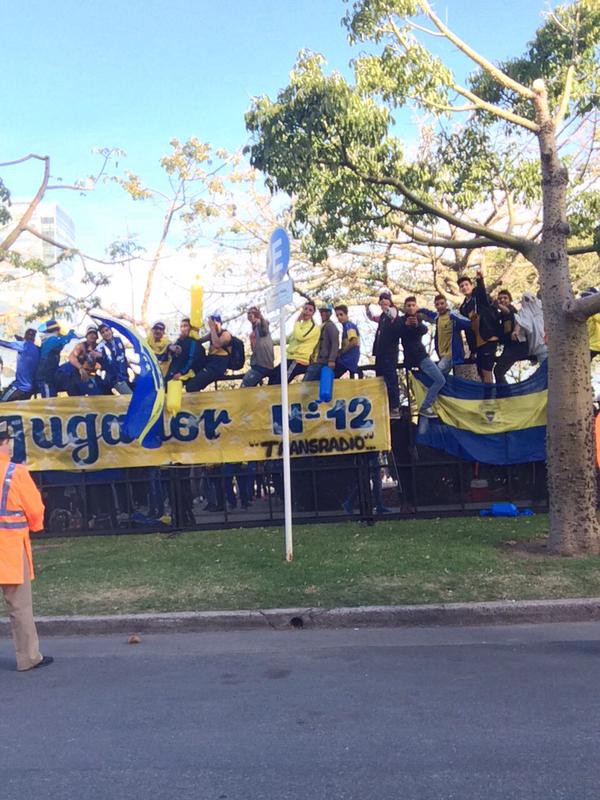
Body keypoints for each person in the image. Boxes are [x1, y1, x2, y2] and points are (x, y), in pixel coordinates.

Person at [0, 422, 53, 671]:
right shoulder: (16, 473)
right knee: (19, 606)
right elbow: (35, 510)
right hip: (9, 548)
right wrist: (36, 524)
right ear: (4, 443)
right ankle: (28, 657)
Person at [399, 296, 446, 418]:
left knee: (440, 378)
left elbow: (424, 329)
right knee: (440, 380)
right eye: (408, 305)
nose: (410, 308)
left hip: (420, 356)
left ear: (416, 307)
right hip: (417, 358)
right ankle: (425, 406)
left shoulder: (418, 319)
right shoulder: (400, 321)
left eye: (413, 305)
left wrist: (416, 324)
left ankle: (431, 404)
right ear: (405, 307)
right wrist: (405, 325)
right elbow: (398, 333)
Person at [458, 268, 502, 383]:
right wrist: (472, 350)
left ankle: (491, 398)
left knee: (487, 370)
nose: (464, 287)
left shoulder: (478, 295)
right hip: (477, 343)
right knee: (481, 372)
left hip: (489, 338)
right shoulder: (463, 307)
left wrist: (480, 279)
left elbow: (482, 292)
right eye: (461, 286)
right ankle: (488, 396)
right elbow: (467, 329)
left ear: (471, 285)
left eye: (466, 284)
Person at [366, 290, 401, 417]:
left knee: (391, 379)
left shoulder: (392, 311)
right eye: (381, 300)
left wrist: (386, 305)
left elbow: (392, 315)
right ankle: (384, 404)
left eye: (385, 300)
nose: (382, 302)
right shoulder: (382, 317)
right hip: (380, 352)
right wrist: (367, 308)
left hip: (389, 352)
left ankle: (395, 406)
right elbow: (372, 317)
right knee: (380, 379)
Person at [270, 300, 321, 384]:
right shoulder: (300, 326)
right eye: (305, 309)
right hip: (289, 358)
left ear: (313, 313)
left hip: (298, 360)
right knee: (273, 376)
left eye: (310, 310)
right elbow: (288, 339)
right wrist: (269, 341)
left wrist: (297, 321)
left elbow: (300, 337)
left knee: (281, 383)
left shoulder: (314, 327)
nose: (307, 312)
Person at [419, 295, 471, 375]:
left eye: (442, 303)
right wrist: (417, 310)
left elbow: (468, 323)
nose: (440, 306)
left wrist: (455, 318)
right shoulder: (437, 317)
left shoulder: (453, 315)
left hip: (451, 354)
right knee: (443, 380)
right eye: (437, 304)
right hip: (441, 354)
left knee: (436, 374)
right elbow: (427, 313)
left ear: (446, 304)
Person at [186, 313, 232, 392]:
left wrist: (213, 328)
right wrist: (192, 332)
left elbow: (217, 344)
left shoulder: (226, 334)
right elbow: (199, 341)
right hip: (210, 362)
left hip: (218, 366)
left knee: (191, 386)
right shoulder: (212, 334)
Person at [493, 289, 530, 384]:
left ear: (510, 300)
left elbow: (508, 311)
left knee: (498, 371)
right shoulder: (500, 316)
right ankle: (505, 394)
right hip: (509, 347)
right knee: (498, 371)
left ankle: (506, 395)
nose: (502, 300)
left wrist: (496, 304)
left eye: (505, 298)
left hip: (517, 346)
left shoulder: (512, 310)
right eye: (500, 298)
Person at [34, 320, 78, 397]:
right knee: (49, 402)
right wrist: (71, 334)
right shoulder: (52, 340)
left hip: (49, 378)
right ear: (56, 330)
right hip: (45, 379)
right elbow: (63, 341)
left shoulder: (46, 342)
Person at [57, 325, 105, 396]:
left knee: (96, 390)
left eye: (94, 333)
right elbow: (71, 357)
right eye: (90, 333)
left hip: (84, 376)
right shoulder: (81, 346)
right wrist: (80, 368)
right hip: (68, 373)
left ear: (97, 336)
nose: (92, 335)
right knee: (77, 394)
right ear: (86, 336)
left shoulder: (99, 348)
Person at [0, 328, 40, 401]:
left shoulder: (23, 345)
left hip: (20, 386)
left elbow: (6, 344)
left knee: (2, 402)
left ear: (25, 337)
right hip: (30, 389)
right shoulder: (37, 349)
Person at [303, 304, 340, 382]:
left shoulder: (330, 326)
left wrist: (331, 360)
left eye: (325, 312)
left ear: (329, 313)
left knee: (306, 383)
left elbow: (335, 343)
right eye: (321, 311)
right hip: (315, 361)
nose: (323, 313)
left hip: (322, 361)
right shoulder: (321, 326)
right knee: (314, 384)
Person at [242, 307, 274, 387]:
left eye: (252, 313)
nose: (249, 314)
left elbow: (264, 328)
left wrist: (261, 316)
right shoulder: (254, 330)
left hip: (262, 364)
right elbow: (255, 349)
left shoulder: (260, 325)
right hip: (257, 363)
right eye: (248, 313)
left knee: (245, 384)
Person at [97, 323, 132, 394]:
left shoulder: (118, 339)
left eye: (107, 330)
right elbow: (96, 355)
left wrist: (129, 368)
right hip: (116, 379)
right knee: (130, 396)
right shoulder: (101, 346)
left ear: (111, 330)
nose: (106, 333)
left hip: (125, 375)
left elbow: (123, 356)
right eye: (103, 332)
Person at [165, 318, 202, 383]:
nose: (183, 329)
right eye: (181, 326)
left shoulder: (193, 341)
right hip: (173, 371)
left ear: (190, 328)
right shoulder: (179, 341)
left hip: (187, 373)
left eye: (185, 326)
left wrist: (181, 373)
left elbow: (191, 359)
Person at [515, 292, 547, 363]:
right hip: (537, 343)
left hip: (547, 340)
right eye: (526, 299)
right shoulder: (524, 312)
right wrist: (516, 331)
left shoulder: (541, 310)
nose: (530, 301)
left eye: (532, 298)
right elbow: (521, 322)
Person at [334, 305, 361, 377]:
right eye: (337, 315)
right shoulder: (345, 327)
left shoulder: (349, 326)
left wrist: (342, 351)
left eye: (341, 314)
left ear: (346, 314)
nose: (339, 317)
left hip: (347, 359)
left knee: (332, 375)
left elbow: (354, 341)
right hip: (347, 359)